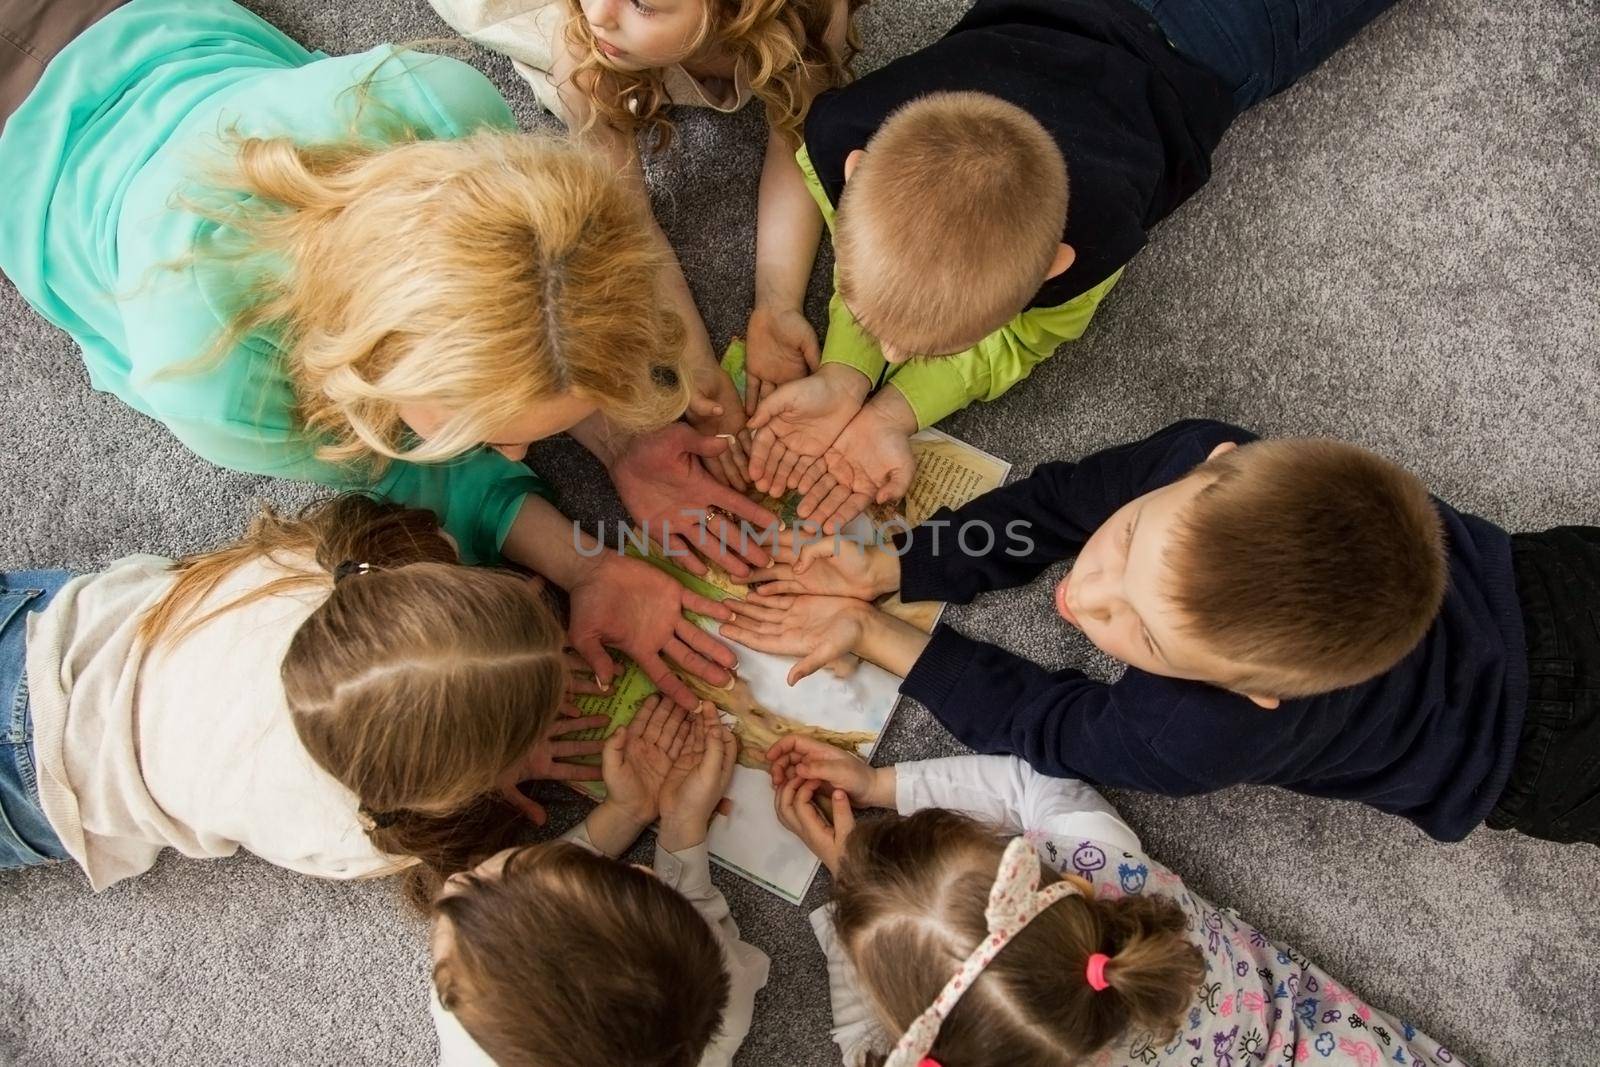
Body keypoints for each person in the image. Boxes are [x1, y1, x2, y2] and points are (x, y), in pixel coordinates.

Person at [0, 0, 774, 707]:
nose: (517, 452)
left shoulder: (441, 99)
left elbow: (540, 321)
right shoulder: (215, 377)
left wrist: (626, 437)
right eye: (489, 423)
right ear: (378, 360)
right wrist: (576, 561)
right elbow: (400, 469)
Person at [726, 419, 1600, 847]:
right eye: (1130, 540)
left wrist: (873, 634)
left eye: (1138, 630)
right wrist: (902, 566)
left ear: (1251, 691)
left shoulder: (1201, 731)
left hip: (1540, 765)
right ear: (1216, 461)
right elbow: (1057, 503)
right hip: (1563, 587)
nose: (1082, 595)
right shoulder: (1199, 452)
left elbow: (1049, 724)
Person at [743, 0, 1401, 530]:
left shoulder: (1095, 235)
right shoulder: (841, 135)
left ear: (1056, 268)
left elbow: (1024, 338)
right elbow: (889, 270)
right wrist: (846, 373)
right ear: (856, 173)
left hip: (1220, 39)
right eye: (872, 325)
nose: (886, 349)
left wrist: (893, 411)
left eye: (896, 342)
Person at [0, 494, 622, 901]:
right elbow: (479, 903)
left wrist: (505, 700)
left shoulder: (322, 565)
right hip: (42, 787)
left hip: (42, 639)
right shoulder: (341, 831)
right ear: (443, 796)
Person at [767, 742, 1460, 1066]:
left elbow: (860, 1041)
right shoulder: (1108, 866)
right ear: (1046, 882)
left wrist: (844, 888)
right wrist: (886, 783)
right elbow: (1029, 784)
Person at [427, 0, 863, 488]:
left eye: (643, 4)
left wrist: (778, 302)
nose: (597, 14)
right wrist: (693, 360)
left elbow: (798, 140)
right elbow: (624, 221)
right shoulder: (583, 38)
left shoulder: (810, 16)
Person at [429, 696, 769, 1066]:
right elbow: (694, 928)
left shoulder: (469, 1002)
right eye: (483, 876)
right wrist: (682, 825)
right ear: (645, 875)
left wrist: (625, 811)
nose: (453, 882)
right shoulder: (717, 1000)